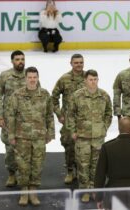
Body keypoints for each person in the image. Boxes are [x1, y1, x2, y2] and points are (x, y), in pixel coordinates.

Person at [7, 67, 55, 206]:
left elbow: (49, 115)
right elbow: (11, 116)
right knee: (22, 165)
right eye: (30, 77)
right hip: (22, 136)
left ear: (38, 78)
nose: (32, 80)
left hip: (39, 136)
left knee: (37, 164)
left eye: (35, 77)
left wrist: (50, 132)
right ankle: (24, 191)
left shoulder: (45, 94)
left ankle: (33, 191)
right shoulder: (17, 95)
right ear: (25, 78)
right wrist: (11, 134)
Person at [67, 69, 112, 203]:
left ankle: (94, 188)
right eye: (90, 79)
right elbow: (70, 114)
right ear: (85, 81)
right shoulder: (77, 96)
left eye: (95, 79)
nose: (93, 82)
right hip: (82, 137)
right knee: (83, 165)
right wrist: (73, 131)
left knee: (97, 165)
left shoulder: (104, 95)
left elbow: (109, 112)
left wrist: (104, 127)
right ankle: (84, 190)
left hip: (98, 137)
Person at [94, 117, 130, 210]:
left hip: (112, 192)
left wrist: (99, 198)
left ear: (119, 128)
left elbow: (100, 175)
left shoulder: (107, 147)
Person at [0, 50, 26, 187]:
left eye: (22, 59)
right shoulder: (5, 76)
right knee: (10, 148)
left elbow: (39, 97)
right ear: (12, 61)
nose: (20, 62)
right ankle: (12, 174)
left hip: (26, 120)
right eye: (17, 59)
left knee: (25, 148)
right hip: (9, 120)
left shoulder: (30, 75)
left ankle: (23, 174)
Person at [51, 54, 85, 184]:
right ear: (71, 63)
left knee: (84, 147)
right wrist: (59, 114)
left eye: (81, 62)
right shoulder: (64, 79)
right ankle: (70, 171)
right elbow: (53, 98)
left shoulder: (88, 78)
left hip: (84, 120)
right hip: (69, 121)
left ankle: (82, 172)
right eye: (76, 62)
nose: (79, 65)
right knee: (69, 145)